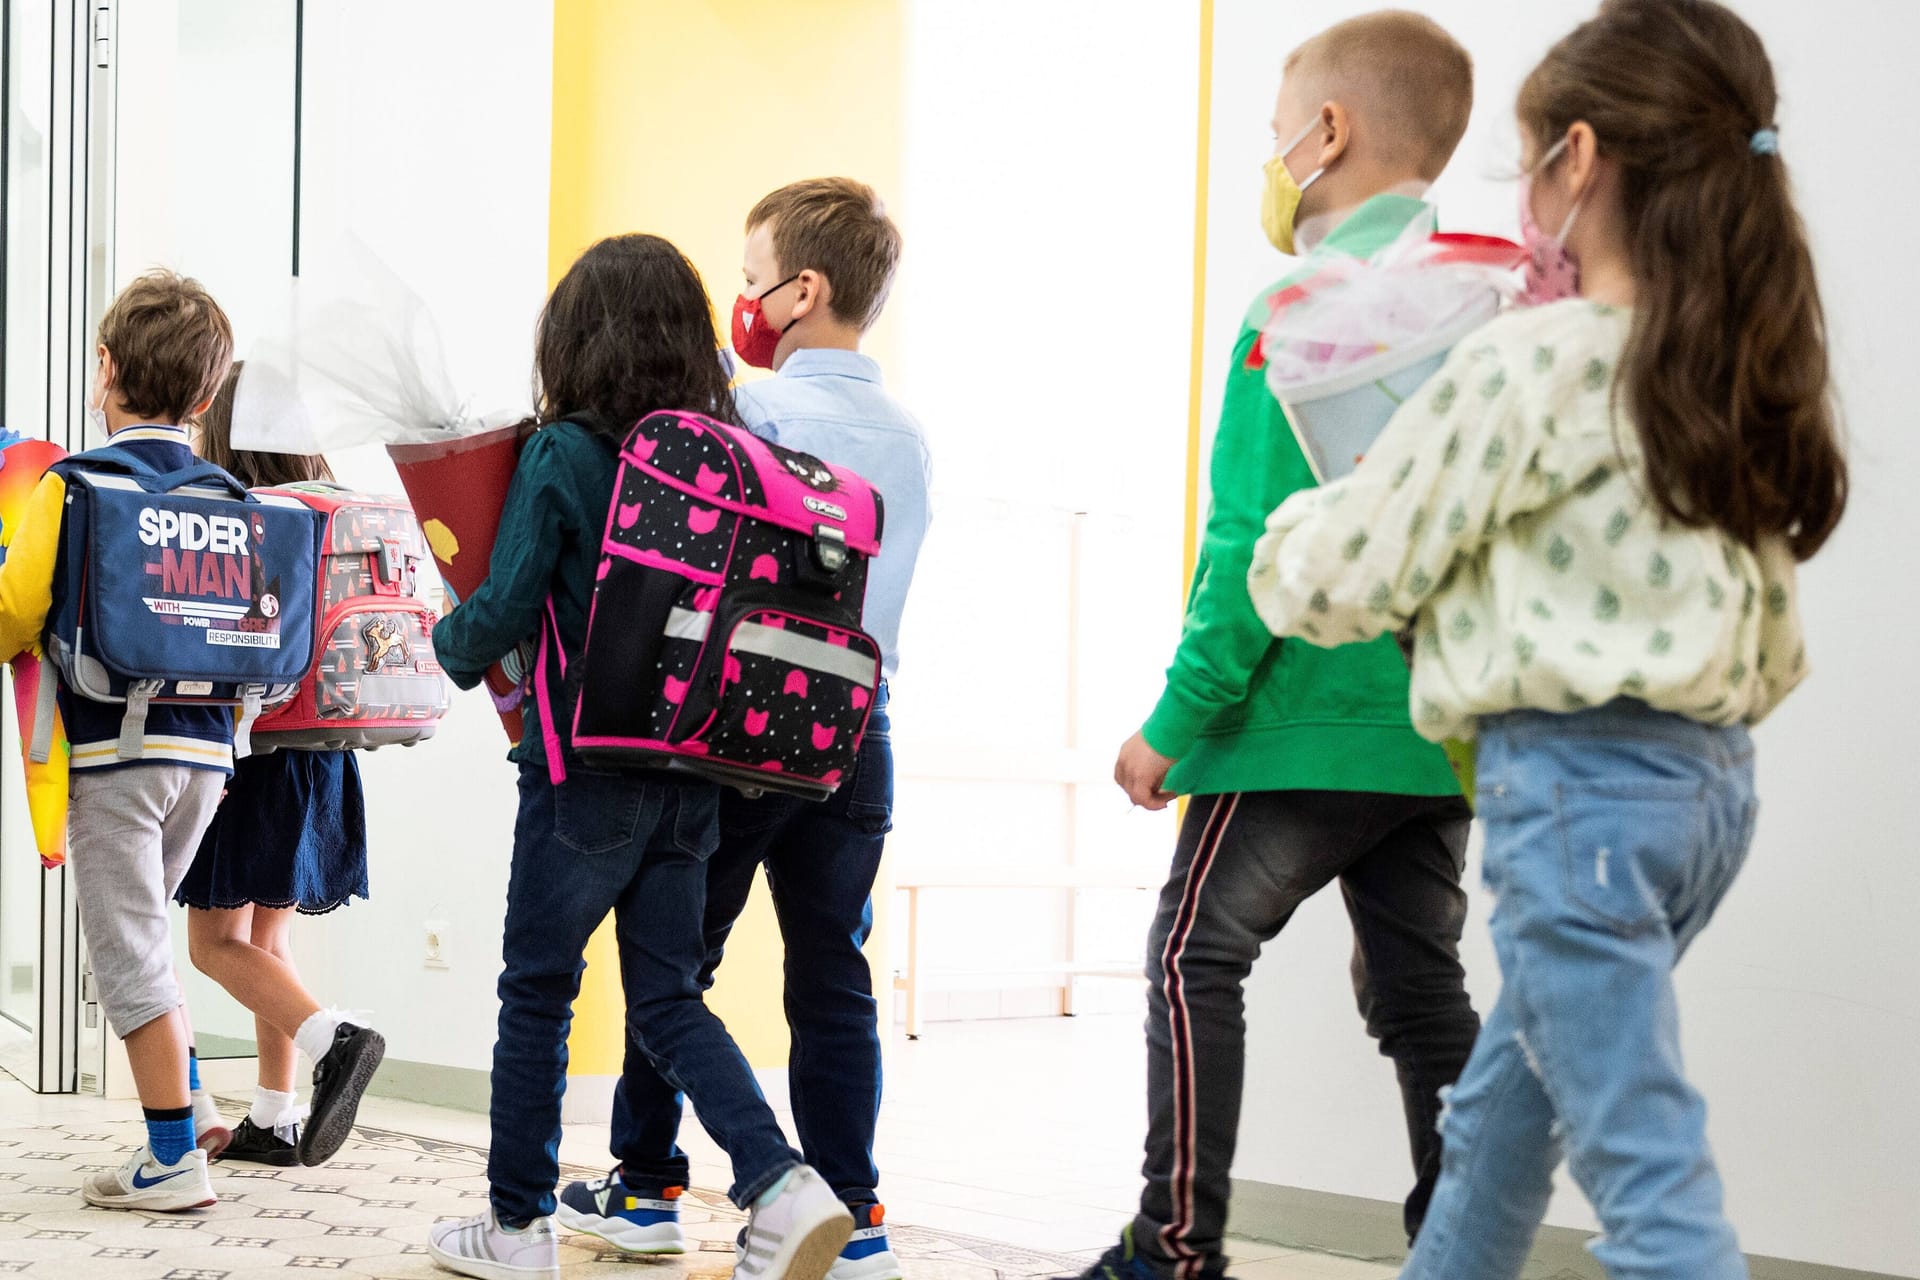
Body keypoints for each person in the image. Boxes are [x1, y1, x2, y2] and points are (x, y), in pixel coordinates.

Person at [1245, 3, 1847, 1276]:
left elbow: (1364, 561)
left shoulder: (1532, 365)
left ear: (1579, 160)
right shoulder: (1725, 374)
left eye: (1526, 170)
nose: (1521, 203)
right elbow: (1771, 631)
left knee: (1647, 1175)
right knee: (1499, 1125)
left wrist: (1288, 531)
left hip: (1573, 800)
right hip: (1705, 801)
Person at [1092, 14, 1481, 1280]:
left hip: (1300, 716)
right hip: (1434, 735)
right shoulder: (1482, 308)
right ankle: (1458, 1251)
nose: (1273, 161)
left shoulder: (1302, 307)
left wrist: (1175, 723)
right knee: (1422, 995)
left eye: (1275, 136)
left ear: (1329, 133)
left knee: (1193, 949)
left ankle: (1174, 1253)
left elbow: (1252, 547)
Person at [428, 233, 854, 1280]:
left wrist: (446, 640)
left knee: (538, 990)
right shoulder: (723, 455)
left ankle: (518, 1227)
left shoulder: (566, 452)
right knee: (669, 999)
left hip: (585, 781)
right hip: (694, 775)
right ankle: (782, 1182)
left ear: (578, 336)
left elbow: (510, 603)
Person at [557, 178, 929, 1280]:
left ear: (801, 290)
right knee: (835, 973)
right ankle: (855, 1211)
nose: (744, 294)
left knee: (675, 961)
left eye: (754, 271)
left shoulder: (749, 412)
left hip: (739, 729)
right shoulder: (908, 438)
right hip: (859, 731)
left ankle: (646, 1183)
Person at [0, 270, 351, 1213]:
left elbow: (10, 614)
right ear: (207, 398)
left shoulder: (73, 490)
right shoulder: (233, 497)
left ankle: (169, 1161)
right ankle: (190, 1114)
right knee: (150, 938)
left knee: (129, 953)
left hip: (115, 756)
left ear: (103, 370)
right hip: (209, 757)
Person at [174, 362, 380, 1169]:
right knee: (266, 936)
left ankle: (337, 1038)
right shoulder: (334, 508)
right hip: (328, 760)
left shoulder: (246, 521)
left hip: (255, 761)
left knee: (213, 943)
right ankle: (276, 1115)